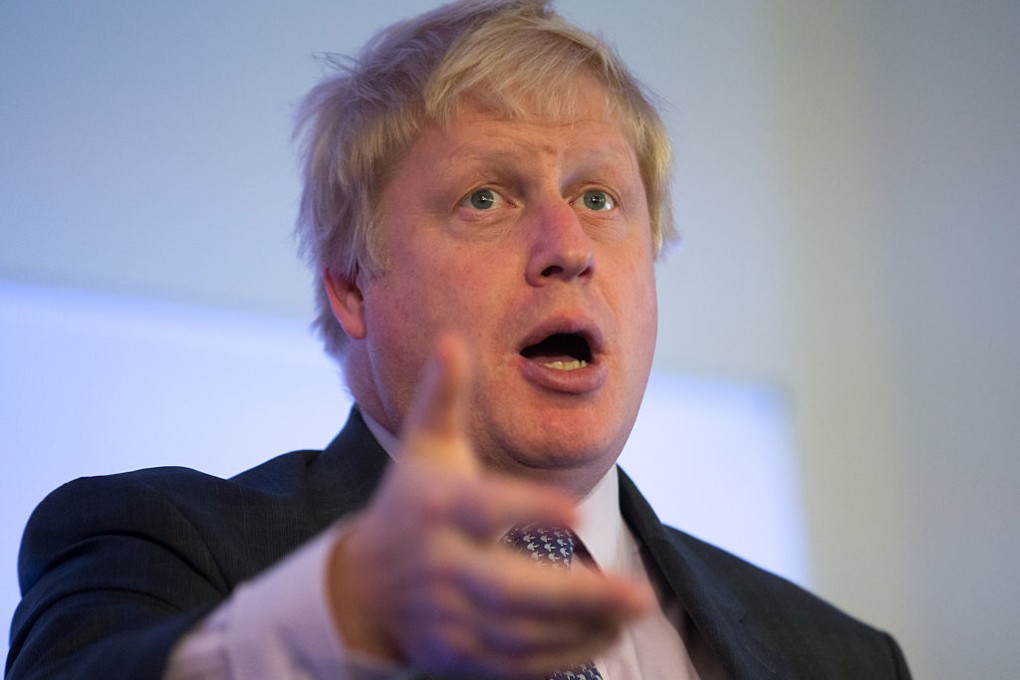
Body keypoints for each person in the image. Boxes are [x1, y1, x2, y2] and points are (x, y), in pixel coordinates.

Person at [6, 1, 912, 678]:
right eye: (488, 198)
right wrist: (333, 620)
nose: (568, 250)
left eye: (599, 199)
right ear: (353, 286)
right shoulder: (158, 549)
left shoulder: (842, 657)